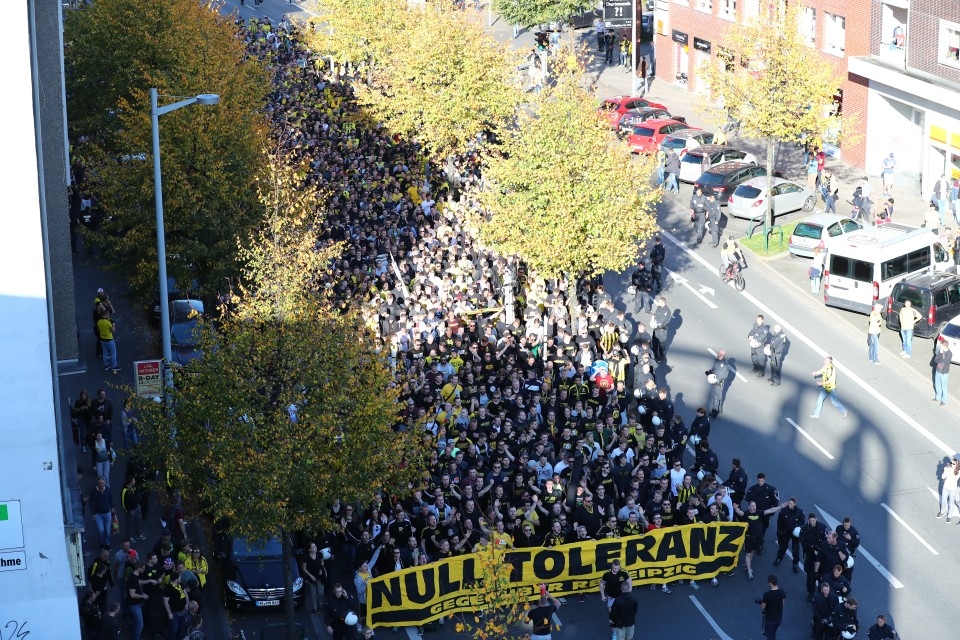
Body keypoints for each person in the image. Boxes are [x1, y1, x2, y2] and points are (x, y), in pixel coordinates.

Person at [773, 497, 804, 571]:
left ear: (795, 504)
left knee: (795, 550)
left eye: (791, 504)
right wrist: (779, 531)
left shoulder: (800, 512)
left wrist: (795, 527)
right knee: (782, 547)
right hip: (785, 532)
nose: (789, 505)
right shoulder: (783, 510)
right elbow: (779, 521)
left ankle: (795, 564)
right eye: (789, 503)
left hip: (795, 533)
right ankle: (779, 558)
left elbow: (802, 522)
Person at [759, 574, 786, 640]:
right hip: (778, 619)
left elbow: (762, 607)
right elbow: (782, 604)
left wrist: (761, 602)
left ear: (770, 582)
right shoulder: (782, 591)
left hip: (770, 620)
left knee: (769, 635)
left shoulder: (767, 594)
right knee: (773, 632)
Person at [705, 350, 729, 418]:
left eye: (718, 353)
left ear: (721, 355)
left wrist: (713, 377)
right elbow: (714, 369)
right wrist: (709, 372)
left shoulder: (723, 364)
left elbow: (720, 374)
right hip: (716, 380)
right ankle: (719, 408)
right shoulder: (718, 361)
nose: (717, 354)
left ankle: (715, 410)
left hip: (718, 381)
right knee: (717, 395)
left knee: (717, 396)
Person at [938, 456, 960, 522]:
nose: (951, 464)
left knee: (951, 503)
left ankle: (949, 516)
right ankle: (942, 512)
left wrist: (950, 471)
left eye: (953, 464)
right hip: (946, 487)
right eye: (951, 463)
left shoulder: (958, 472)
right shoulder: (948, 469)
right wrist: (945, 471)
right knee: (943, 500)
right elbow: (942, 477)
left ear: (957, 465)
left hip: (953, 489)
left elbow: (954, 479)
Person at [650, 297, 671, 362]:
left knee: (662, 343)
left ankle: (662, 355)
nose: (658, 303)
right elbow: (656, 314)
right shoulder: (659, 307)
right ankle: (655, 354)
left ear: (663, 302)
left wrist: (655, 321)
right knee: (655, 341)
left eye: (659, 302)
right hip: (656, 328)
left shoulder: (666, 311)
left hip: (662, 330)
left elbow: (661, 321)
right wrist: (653, 316)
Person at [933, 336, 951, 405]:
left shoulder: (949, 353)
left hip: (944, 373)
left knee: (944, 386)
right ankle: (938, 397)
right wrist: (940, 354)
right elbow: (936, 360)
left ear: (944, 346)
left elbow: (943, 360)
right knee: (937, 384)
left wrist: (941, 354)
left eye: (941, 346)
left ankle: (944, 400)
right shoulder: (941, 352)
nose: (940, 347)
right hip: (938, 370)